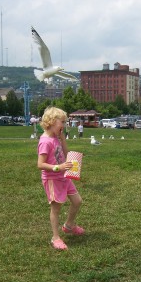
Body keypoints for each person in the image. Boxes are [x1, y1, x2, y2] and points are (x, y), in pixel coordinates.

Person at [37, 107, 84, 250]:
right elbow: (40, 164)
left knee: (77, 201)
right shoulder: (45, 141)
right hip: (53, 178)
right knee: (56, 208)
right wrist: (58, 167)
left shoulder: (56, 138)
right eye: (62, 122)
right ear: (51, 121)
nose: (64, 125)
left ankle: (69, 225)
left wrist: (62, 138)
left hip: (64, 176)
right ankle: (55, 237)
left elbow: (65, 152)